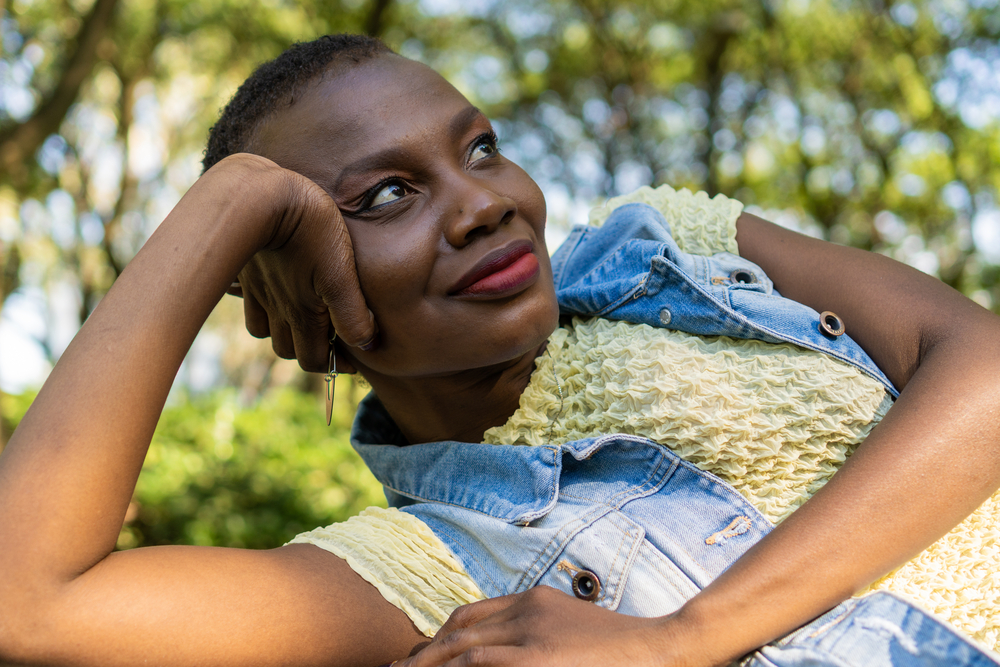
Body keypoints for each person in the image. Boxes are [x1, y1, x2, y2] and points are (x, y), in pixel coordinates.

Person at [0, 33, 998, 667]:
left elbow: (982, 362)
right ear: (290, 285)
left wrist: (685, 639)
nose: (484, 204)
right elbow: (28, 606)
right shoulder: (425, 567)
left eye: (478, 147)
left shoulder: (663, 244)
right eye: (384, 195)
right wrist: (230, 205)